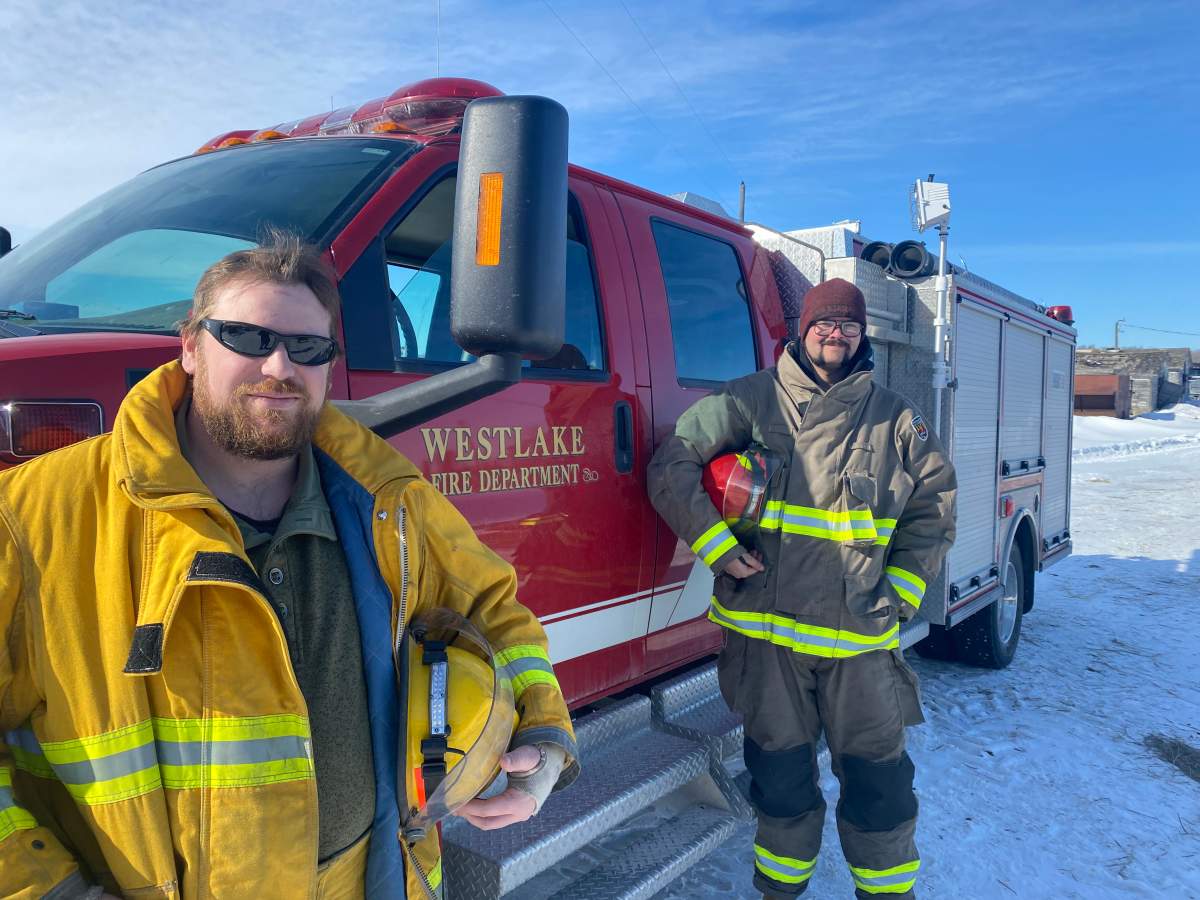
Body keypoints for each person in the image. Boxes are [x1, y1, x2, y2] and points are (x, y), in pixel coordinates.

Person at [0, 232, 578, 899]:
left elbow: (493, 613)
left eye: (308, 348)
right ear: (189, 346)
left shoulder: (387, 500)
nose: (278, 366)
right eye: (246, 337)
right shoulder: (32, 519)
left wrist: (542, 739)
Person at [648, 278, 956, 899]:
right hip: (768, 643)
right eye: (824, 323)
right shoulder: (747, 402)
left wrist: (898, 589)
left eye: (847, 324)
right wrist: (719, 547)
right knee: (781, 784)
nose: (834, 333)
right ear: (802, 330)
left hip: (860, 645)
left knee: (881, 787)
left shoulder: (896, 417)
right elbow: (671, 461)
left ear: (861, 334)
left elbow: (934, 507)